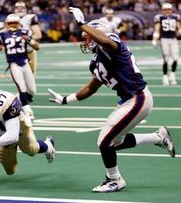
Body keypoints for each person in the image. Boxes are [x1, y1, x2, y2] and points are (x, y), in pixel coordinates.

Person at [48, 7, 176, 193]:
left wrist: (82, 24)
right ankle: (158, 137)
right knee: (113, 142)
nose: (85, 39)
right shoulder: (96, 62)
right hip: (128, 100)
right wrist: (66, 99)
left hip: (138, 97)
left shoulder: (111, 42)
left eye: (88, 35)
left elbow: (106, 40)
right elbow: (91, 88)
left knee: (104, 140)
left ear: (97, 33)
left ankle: (114, 179)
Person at [0, 81, 56, 175]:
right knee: (10, 170)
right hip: (0, 133)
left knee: (31, 150)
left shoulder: (6, 104)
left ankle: (48, 145)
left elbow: (13, 136)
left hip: (19, 128)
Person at [0, 14, 38, 119]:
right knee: (21, 87)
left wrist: (29, 40)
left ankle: (14, 101)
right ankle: (27, 111)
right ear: (6, 24)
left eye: (15, 23)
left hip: (25, 63)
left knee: (32, 91)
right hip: (14, 64)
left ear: (19, 24)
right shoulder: (2, 34)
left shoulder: (25, 32)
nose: (13, 25)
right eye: (10, 23)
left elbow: (36, 47)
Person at [152, 3, 180, 85]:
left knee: (175, 58)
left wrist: (179, 31)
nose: (167, 11)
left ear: (172, 10)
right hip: (164, 39)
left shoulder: (176, 17)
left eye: (169, 9)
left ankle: (172, 75)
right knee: (166, 59)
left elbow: (179, 28)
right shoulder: (159, 17)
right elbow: (157, 29)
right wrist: (154, 39)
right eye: (165, 9)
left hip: (174, 39)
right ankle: (165, 76)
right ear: (163, 10)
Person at [14, 1, 42, 75]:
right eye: (17, 8)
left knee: (30, 76)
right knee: (17, 76)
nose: (20, 10)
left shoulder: (30, 17)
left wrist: (27, 39)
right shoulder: (11, 18)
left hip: (28, 50)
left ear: (26, 9)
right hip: (15, 51)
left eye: (22, 8)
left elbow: (38, 34)